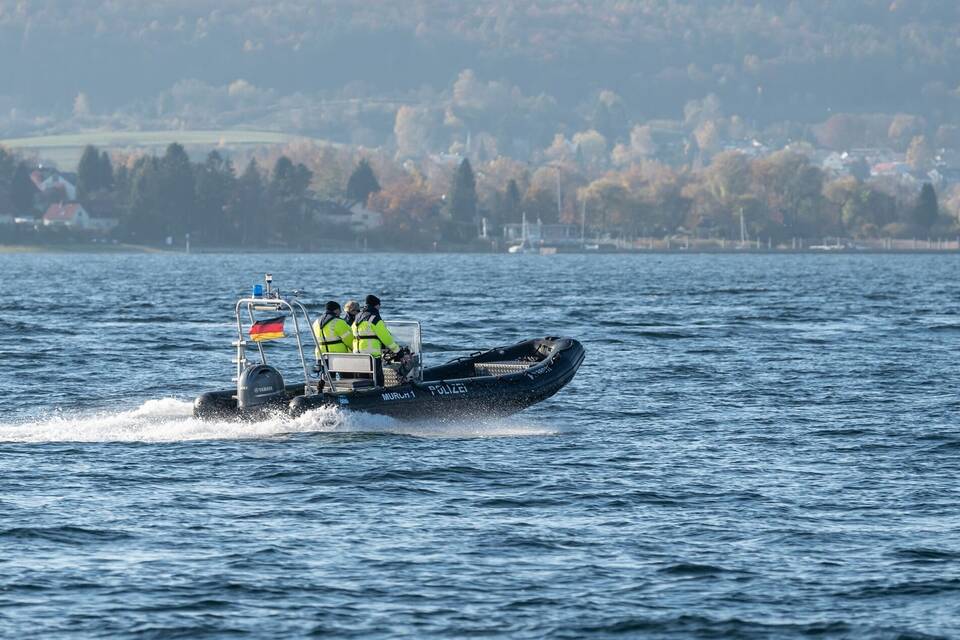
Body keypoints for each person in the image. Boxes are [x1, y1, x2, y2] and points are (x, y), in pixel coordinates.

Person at [353, 294, 401, 386]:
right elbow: (386, 338)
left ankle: (363, 395)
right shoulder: (374, 318)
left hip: (358, 354)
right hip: (372, 355)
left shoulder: (358, 317)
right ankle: (379, 394)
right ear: (376, 305)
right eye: (379, 305)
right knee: (378, 380)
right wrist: (397, 351)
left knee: (362, 379)